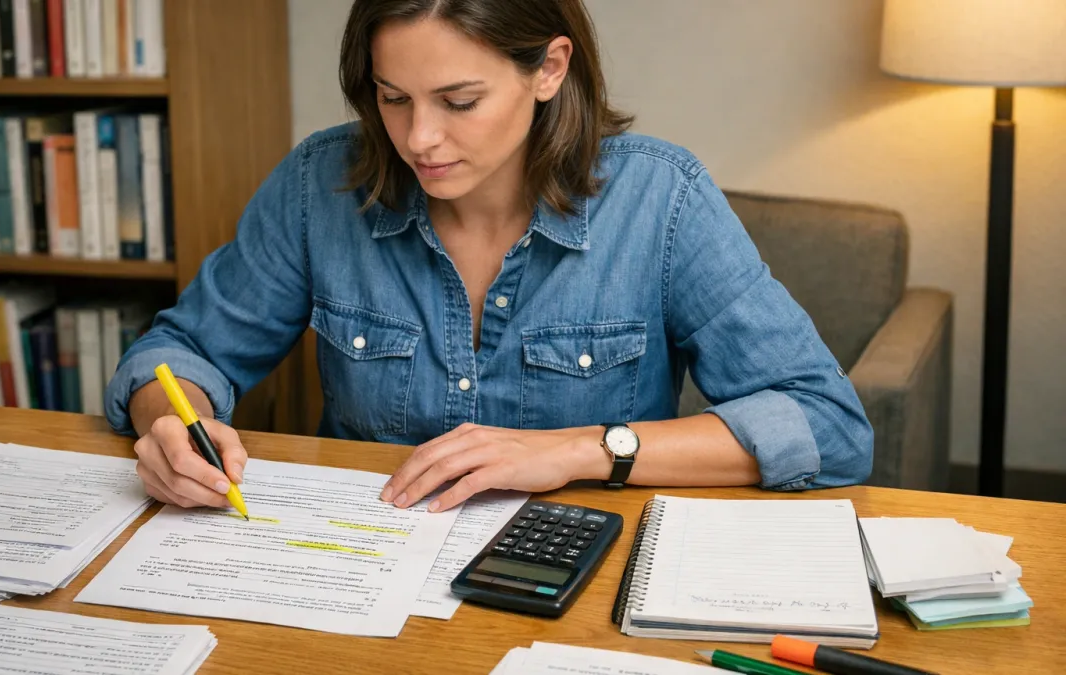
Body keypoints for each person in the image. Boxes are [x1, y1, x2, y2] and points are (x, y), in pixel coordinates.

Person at [104, 0, 873, 516]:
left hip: (581, 580)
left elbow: (826, 424)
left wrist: (579, 449)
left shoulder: (661, 199)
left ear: (549, 69)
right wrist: (174, 425)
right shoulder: (321, 183)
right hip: (356, 560)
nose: (417, 139)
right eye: (392, 96)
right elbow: (182, 352)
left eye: (458, 101)